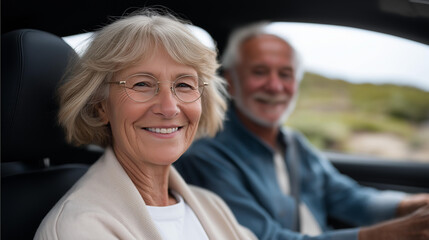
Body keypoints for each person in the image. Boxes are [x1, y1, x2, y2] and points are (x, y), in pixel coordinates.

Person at [175, 22, 429, 240]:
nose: (275, 86)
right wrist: (385, 234)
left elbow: (349, 198)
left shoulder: (293, 143)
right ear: (231, 81)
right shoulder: (207, 157)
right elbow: (262, 237)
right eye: (260, 72)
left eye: (285, 74)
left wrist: (414, 204)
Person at [34, 9, 257, 240]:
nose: (169, 108)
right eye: (142, 84)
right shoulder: (79, 227)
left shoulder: (211, 206)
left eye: (184, 85)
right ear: (101, 107)